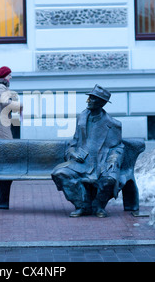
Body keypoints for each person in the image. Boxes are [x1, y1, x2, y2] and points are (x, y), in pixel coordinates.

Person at [51, 84, 124, 218]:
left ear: (102, 103)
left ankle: (98, 206)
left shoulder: (113, 125)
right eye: (89, 97)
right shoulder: (82, 118)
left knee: (109, 180)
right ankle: (82, 205)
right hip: (82, 162)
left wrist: (113, 159)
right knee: (60, 173)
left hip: (101, 162)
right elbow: (74, 142)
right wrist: (72, 152)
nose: (88, 100)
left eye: (92, 98)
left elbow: (118, 147)